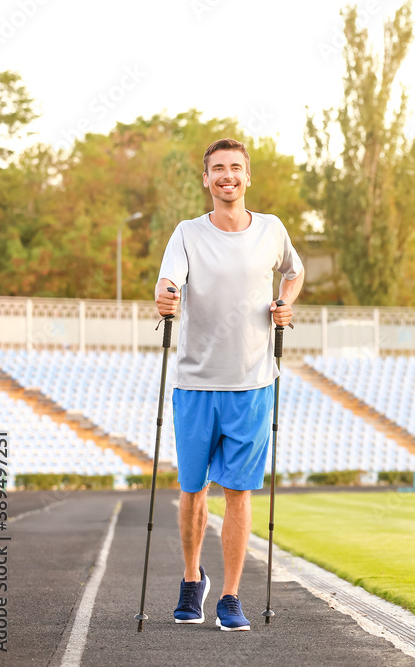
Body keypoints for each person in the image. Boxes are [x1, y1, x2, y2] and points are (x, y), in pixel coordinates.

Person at [154, 138, 304, 631]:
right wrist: (167, 295)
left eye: (235, 168)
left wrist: (285, 302)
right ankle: (192, 579)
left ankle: (231, 596)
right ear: (207, 179)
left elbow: (294, 270)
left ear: (246, 176)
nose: (227, 176)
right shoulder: (187, 233)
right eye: (218, 169)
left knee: (238, 492)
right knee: (193, 490)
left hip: (253, 382)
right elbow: (169, 281)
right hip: (196, 383)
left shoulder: (273, 229)